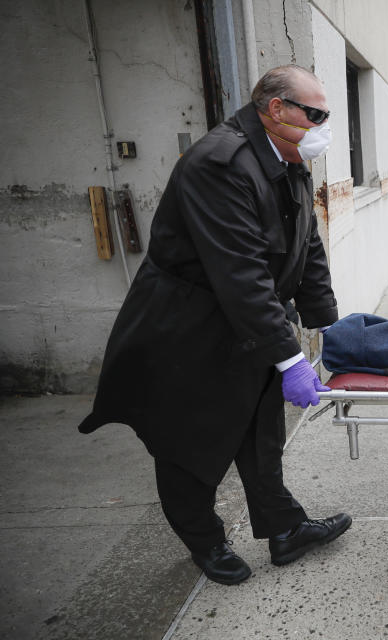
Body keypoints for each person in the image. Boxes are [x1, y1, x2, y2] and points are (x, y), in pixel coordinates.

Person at [78, 65, 351, 586]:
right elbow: (239, 271)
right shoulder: (219, 163)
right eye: (314, 114)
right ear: (276, 109)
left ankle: (284, 529)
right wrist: (290, 357)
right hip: (189, 329)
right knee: (189, 441)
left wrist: (326, 326)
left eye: (325, 116)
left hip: (248, 318)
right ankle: (205, 541)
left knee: (260, 430)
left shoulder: (288, 156)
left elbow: (306, 245)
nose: (322, 127)